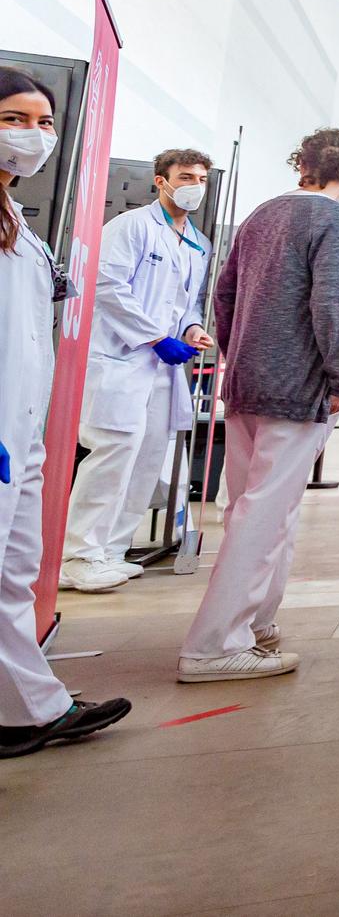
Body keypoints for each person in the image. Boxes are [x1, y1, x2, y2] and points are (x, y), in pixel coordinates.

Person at [179, 129, 339, 683]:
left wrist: (240, 357)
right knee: (264, 513)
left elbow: (225, 295)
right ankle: (213, 644)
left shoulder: (261, 215)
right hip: (297, 387)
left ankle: (256, 621)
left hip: (247, 382)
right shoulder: (338, 222)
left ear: (300, 166)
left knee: (254, 508)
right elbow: (333, 304)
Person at [0, 68, 133, 753]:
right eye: (16, 118)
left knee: (13, 570)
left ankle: (23, 708)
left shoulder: (19, 223)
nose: (34, 134)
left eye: (45, 122)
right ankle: (29, 709)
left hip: (18, 432)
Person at [60, 148, 214, 592]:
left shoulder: (197, 243)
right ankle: (78, 555)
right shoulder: (130, 228)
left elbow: (187, 302)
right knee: (113, 454)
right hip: (122, 360)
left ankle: (110, 550)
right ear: (160, 181)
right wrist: (154, 336)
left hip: (162, 369)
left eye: (201, 179)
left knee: (147, 457)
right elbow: (106, 286)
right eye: (185, 177)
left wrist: (192, 328)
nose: (194, 187)